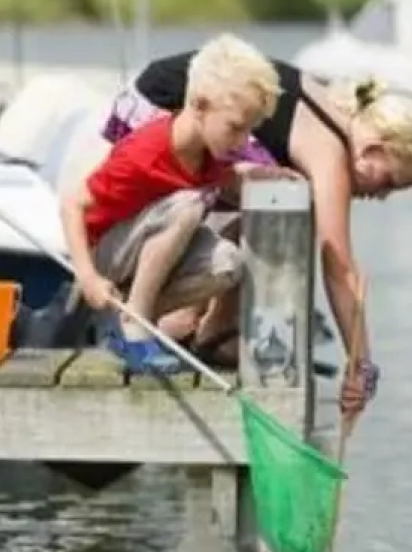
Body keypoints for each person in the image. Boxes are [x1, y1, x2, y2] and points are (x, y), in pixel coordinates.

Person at [104, 48, 412, 414]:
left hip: (156, 93)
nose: (381, 196)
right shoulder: (331, 156)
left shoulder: (335, 111)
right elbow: (339, 267)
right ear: (373, 148)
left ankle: (215, 326)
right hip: (163, 109)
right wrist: (361, 365)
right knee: (283, 192)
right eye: (387, 180)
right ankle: (173, 318)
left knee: (281, 192)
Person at [60, 34, 283, 376]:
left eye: (249, 131)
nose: (243, 141)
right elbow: (73, 203)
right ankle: (137, 324)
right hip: (104, 254)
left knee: (228, 264)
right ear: (198, 105)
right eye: (236, 128)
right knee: (189, 205)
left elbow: (226, 179)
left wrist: (265, 176)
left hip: (141, 259)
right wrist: (88, 277)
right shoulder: (146, 151)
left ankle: (130, 319)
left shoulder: (210, 153)